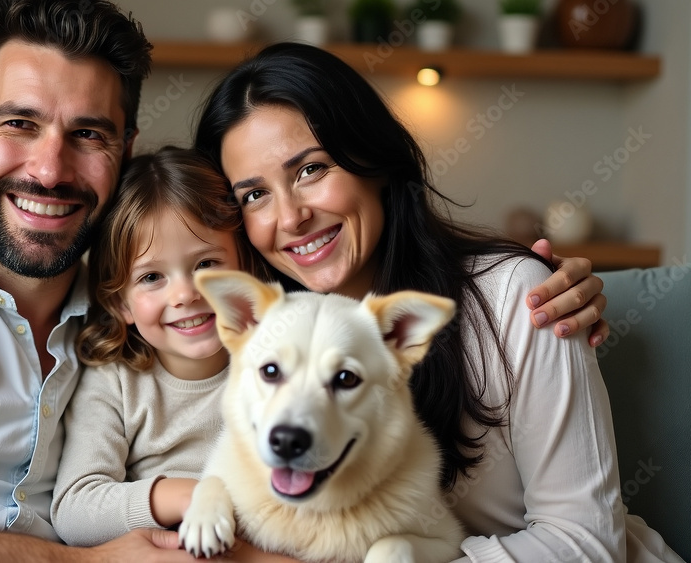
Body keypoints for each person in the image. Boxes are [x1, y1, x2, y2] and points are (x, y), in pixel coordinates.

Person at [0, 1, 608, 561]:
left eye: (88, 133)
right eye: (18, 123)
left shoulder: (203, 321)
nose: (50, 168)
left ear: (122, 151)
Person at [191, 41, 682, 562]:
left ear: (374, 161)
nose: (290, 218)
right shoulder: (256, 328)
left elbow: (587, 543)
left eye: (311, 169)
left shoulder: (519, 298)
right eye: (254, 194)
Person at [50, 147, 264, 545]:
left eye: (206, 264)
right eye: (152, 277)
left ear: (246, 269)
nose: (185, 294)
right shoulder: (114, 382)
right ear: (120, 302)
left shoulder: (275, 364)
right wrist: (193, 496)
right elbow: (74, 510)